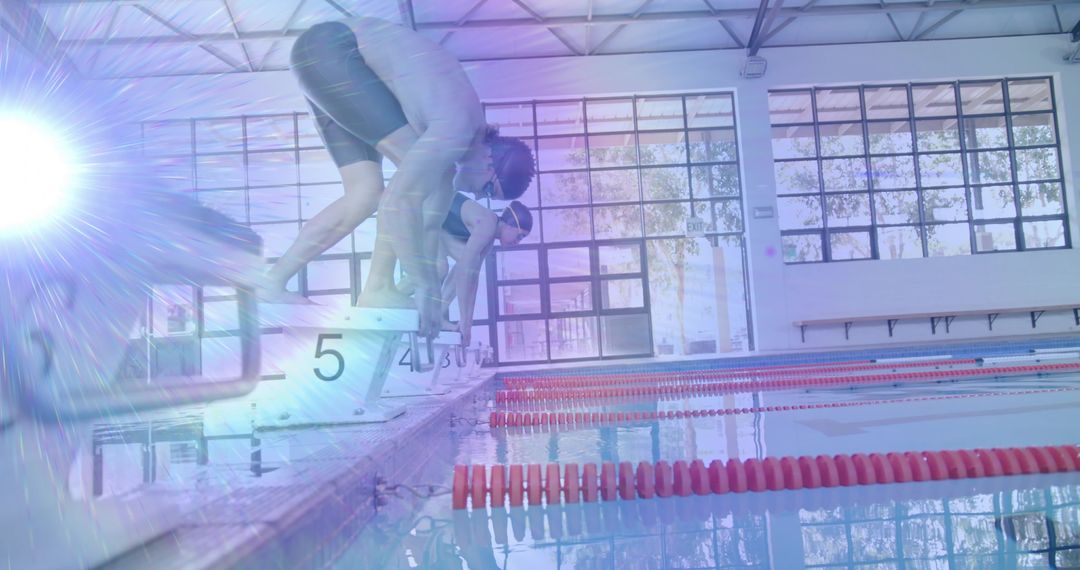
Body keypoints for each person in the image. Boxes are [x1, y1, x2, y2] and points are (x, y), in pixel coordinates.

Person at [257, 17, 535, 338]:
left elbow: (429, 226)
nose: (477, 194)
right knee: (419, 187)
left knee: (365, 192)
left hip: (321, 58)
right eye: (487, 189)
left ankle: (273, 282)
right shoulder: (457, 128)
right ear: (490, 163)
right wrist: (426, 287)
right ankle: (377, 289)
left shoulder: (459, 128)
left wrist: (429, 292)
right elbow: (398, 204)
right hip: (336, 51)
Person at [389, 196, 531, 347]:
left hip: (437, 226)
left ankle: (436, 315)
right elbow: (464, 273)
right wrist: (465, 322)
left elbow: (471, 279)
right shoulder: (487, 224)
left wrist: (468, 323)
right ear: (510, 225)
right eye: (520, 235)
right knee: (439, 268)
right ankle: (390, 298)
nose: (518, 241)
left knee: (464, 264)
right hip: (420, 212)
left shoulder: (488, 240)